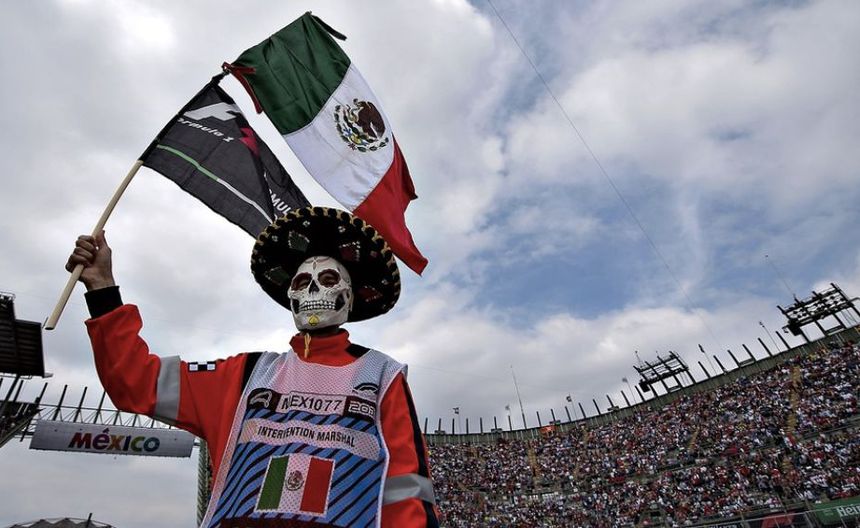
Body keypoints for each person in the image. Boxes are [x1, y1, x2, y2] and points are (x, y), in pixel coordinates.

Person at [67, 206, 439, 528]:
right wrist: (102, 287)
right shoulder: (245, 374)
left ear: (349, 297)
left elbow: (407, 489)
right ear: (291, 295)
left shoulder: (381, 375)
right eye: (302, 282)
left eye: (327, 280)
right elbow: (136, 382)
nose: (313, 290)